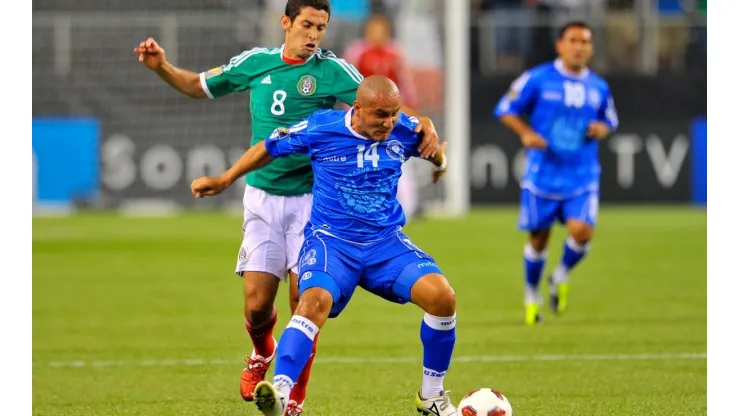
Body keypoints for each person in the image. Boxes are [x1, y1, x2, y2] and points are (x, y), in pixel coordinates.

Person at [133, 1, 440, 414]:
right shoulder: (256, 63)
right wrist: (160, 67)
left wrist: (424, 124)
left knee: (305, 302)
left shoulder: (333, 71)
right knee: (257, 305)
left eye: (322, 27)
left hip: (313, 203)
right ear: (286, 23)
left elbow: (380, 105)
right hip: (262, 198)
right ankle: (262, 351)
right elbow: (196, 86)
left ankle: (292, 399)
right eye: (308, 24)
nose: (314, 34)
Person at [190, 75, 458, 416]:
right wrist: (225, 179)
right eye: (380, 115)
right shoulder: (321, 128)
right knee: (311, 301)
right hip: (333, 243)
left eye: (393, 113)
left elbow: (432, 151)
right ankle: (281, 391)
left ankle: (431, 396)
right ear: (357, 109)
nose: (389, 123)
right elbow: (268, 147)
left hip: (385, 244)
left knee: (443, 298)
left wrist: (441, 163)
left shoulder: (405, 129)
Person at [493, 21, 619, 326]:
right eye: (573, 40)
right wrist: (525, 133)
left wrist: (602, 128)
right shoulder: (538, 79)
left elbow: (610, 119)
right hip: (543, 174)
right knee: (539, 240)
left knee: (582, 232)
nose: (579, 46)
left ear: (591, 47)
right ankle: (532, 292)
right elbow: (505, 108)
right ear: (560, 45)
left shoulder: (598, 86)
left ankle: (560, 275)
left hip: (582, 174)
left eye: (585, 41)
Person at [343, 14, 422, 221]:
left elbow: (406, 83)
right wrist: (350, 114)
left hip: (392, 115)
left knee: (401, 159)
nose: (378, 34)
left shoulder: (395, 53)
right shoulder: (357, 52)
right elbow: (348, 85)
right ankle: (357, 207)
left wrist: (411, 110)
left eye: (382, 30)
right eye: (374, 30)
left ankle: (408, 208)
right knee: (358, 161)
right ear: (368, 32)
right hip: (363, 119)